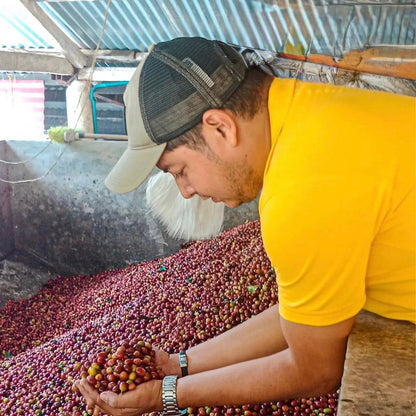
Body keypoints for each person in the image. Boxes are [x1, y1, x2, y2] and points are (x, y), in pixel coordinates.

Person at [75, 37, 415, 416]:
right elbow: (303, 317)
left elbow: (315, 370)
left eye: (180, 171)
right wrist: (179, 365)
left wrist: (164, 396)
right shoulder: (314, 109)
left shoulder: (301, 192)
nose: (186, 192)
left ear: (220, 127)